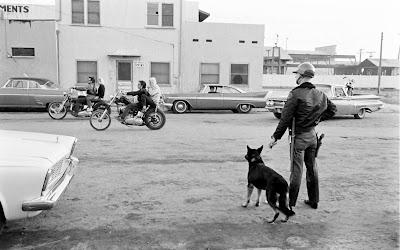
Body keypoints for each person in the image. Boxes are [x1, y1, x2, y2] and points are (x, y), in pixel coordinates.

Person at [268, 62, 337, 211]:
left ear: (302, 75)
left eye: (297, 74)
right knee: (312, 168)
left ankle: (290, 204)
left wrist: (275, 137)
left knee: (296, 171)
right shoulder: (320, 94)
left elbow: (285, 119)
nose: (296, 77)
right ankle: (314, 201)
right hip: (313, 137)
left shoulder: (295, 93)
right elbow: (333, 110)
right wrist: (317, 119)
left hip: (299, 138)